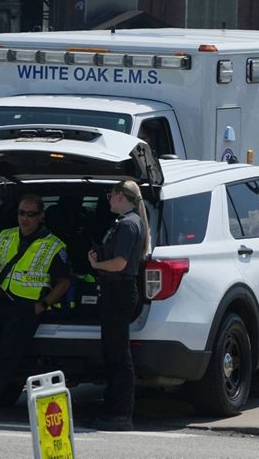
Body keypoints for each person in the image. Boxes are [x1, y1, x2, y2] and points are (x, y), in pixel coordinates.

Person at [0, 194, 71, 424]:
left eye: (31, 214)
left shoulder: (53, 246)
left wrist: (42, 305)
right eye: (22, 213)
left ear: (42, 216)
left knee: (6, 357)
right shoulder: (5, 237)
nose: (25, 218)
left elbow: (64, 282)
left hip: (26, 308)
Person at [88, 180, 149, 431]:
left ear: (122, 197)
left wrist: (96, 266)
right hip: (117, 291)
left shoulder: (127, 224)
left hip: (119, 290)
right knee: (112, 353)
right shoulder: (130, 222)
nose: (109, 199)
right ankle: (112, 410)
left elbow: (120, 264)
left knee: (118, 356)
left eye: (111, 195)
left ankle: (121, 414)